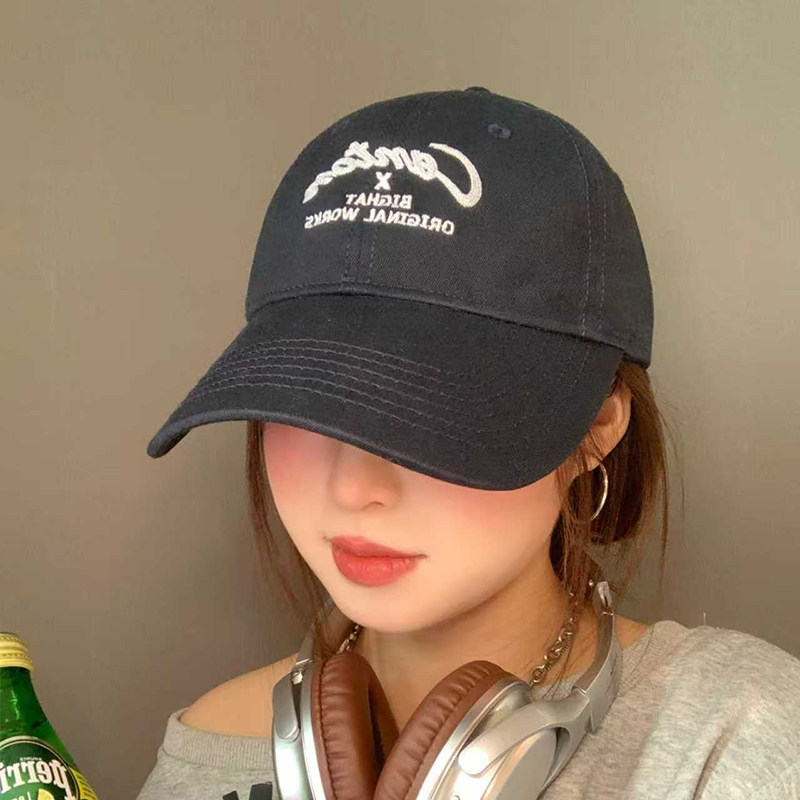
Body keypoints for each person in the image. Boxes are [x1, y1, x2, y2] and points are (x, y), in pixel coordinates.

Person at [136, 88, 800, 799]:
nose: (355, 488)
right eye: (308, 399)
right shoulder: (205, 754)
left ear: (596, 430)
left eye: (431, 412)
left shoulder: (736, 742)